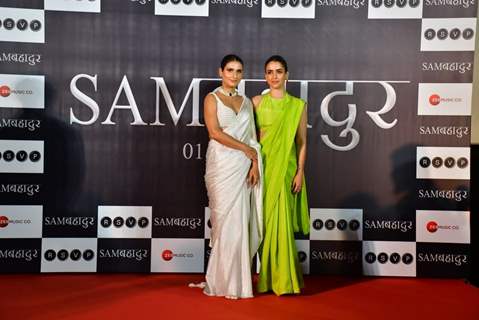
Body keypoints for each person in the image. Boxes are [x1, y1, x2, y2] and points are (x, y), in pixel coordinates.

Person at [192, 54, 263, 299]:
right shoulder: (211, 98)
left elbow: (253, 138)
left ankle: (239, 283)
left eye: (239, 71)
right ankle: (219, 281)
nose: (234, 75)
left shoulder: (245, 102)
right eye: (230, 70)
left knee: (239, 223)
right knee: (223, 222)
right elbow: (214, 133)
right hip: (222, 166)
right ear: (220, 71)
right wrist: (245, 149)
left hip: (244, 167)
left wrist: (254, 163)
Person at [252, 55, 309, 295]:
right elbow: (251, 140)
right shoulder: (256, 102)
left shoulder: (298, 105)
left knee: (281, 222)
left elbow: (302, 142)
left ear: (287, 75)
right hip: (263, 168)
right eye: (269, 72)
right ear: (265, 75)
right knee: (264, 223)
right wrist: (253, 165)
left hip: (286, 170)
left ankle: (284, 281)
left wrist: (300, 172)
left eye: (278, 71)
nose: (274, 76)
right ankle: (266, 278)